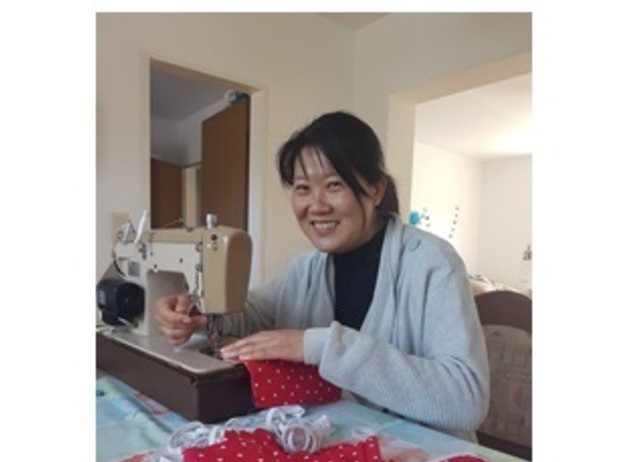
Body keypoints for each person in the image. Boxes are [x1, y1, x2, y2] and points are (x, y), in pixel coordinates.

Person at [154, 111, 488, 442]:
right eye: (302, 188)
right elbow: (253, 315)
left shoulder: (431, 263)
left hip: (428, 456)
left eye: (333, 185)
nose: (316, 206)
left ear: (375, 189)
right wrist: (198, 313)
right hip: (343, 445)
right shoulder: (304, 270)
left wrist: (319, 346)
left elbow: (466, 400)